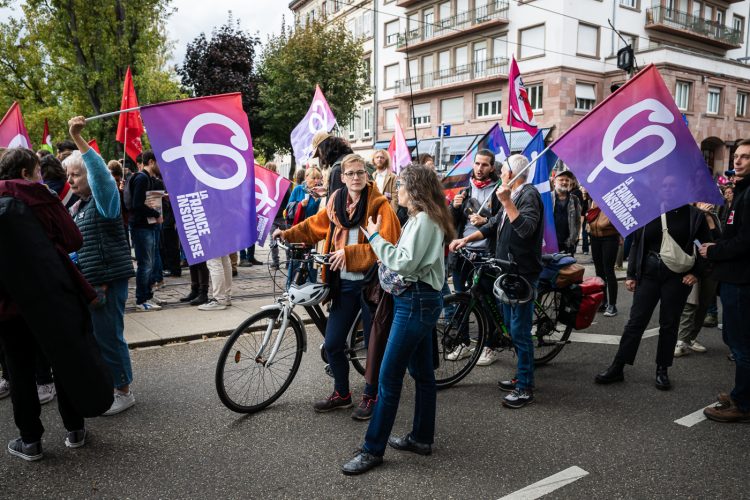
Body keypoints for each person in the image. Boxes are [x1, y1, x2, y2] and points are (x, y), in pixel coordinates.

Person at [0, 148, 114, 460]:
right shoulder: (40, 197)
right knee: (65, 359)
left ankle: (30, 441)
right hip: (52, 297)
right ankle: (75, 430)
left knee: (19, 371)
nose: (42, 177)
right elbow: (73, 239)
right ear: (25, 173)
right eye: (38, 171)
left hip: (8, 308)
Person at [342, 164, 456, 475]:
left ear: (416, 190)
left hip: (415, 302)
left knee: (388, 379)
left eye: (402, 185)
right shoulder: (423, 219)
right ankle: (421, 437)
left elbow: (403, 264)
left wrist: (376, 238)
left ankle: (372, 450)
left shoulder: (424, 222)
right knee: (421, 374)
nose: (397, 190)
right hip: (419, 300)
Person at [273, 154, 400, 417]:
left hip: (371, 286)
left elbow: (389, 247)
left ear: (367, 175)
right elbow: (314, 226)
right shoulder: (336, 202)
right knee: (332, 344)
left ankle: (371, 396)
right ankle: (342, 394)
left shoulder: (379, 206)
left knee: (375, 346)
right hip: (341, 284)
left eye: (360, 173)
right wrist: (286, 233)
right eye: (350, 173)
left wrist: (351, 254)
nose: (356, 178)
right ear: (342, 177)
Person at [450, 154, 543, 409]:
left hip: (522, 272)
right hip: (507, 270)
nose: (500, 174)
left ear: (512, 174)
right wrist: (466, 240)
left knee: (520, 333)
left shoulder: (528, 195)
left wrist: (506, 201)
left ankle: (525, 387)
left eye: (503, 172)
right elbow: (493, 224)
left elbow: (526, 229)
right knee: (512, 329)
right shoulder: (512, 195)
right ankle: (521, 376)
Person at [595, 195, 710, 390]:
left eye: (673, 187)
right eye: (665, 186)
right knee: (635, 322)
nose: (668, 190)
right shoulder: (649, 211)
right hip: (648, 273)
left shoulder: (695, 216)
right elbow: (638, 244)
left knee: (669, 323)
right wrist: (631, 274)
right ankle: (618, 366)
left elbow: (705, 247)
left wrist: (696, 273)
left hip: (677, 277)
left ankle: (662, 370)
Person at [65, 116, 137, 415]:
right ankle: (111, 383)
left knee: (109, 336)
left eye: (75, 176)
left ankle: (123, 390)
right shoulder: (78, 206)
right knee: (99, 336)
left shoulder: (105, 199)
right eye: (68, 176)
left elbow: (101, 176)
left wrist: (78, 140)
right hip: (92, 280)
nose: (70, 181)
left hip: (108, 280)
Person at [700, 141, 750, 422]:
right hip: (732, 276)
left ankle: (742, 405)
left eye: (745, 157)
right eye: (737, 156)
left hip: (741, 280)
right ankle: (741, 393)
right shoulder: (741, 192)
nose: (739, 161)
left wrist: (715, 250)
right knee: (734, 338)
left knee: (742, 344)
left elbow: (745, 241)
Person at [446, 149, 502, 366]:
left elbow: (501, 221)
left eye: (485, 165)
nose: (480, 168)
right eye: (477, 164)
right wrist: (454, 207)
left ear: (492, 167)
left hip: (486, 254)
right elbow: (451, 223)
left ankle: (490, 345)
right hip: (462, 253)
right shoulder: (466, 190)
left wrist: (485, 220)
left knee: (486, 301)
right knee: (461, 299)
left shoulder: (498, 191)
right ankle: (463, 343)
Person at [674, 203, 721, 357]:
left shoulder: (715, 217)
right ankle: (681, 341)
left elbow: (721, 239)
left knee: (704, 304)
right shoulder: (692, 215)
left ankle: (691, 338)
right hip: (694, 265)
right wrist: (700, 215)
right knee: (690, 303)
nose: (706, 202)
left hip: (712, 267)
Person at [128, 150, 163, 312]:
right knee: (145, 264)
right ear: (151, 162)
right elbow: (137, 205)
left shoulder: (146, 178)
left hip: (146, 226)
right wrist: (156, 214)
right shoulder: (142, 178)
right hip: (141, 227)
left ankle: (147, 295)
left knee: (149, 263)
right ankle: (141, 300)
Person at [284, 166, 324, 289]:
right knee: (296, 259)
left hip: (313, 230)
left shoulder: (321, 191)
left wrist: (319, 199)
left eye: (319, 178)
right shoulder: (298, 190)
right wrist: (300, 205)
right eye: (313, 178)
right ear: (306, 178)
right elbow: (287, 210)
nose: (316, 181)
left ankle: (310, 286)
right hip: (299, 229)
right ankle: (291, 286)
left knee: (311, 259)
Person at [587, 200, 621, 317]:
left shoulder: (613, 200)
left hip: (610, 238)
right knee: (599, 271)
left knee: (608, 270)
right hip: (594, 237)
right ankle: (603, 302)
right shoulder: (594, 200)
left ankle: (612, 305)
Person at [312, 132, 353, 197]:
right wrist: (327, 191)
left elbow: (337, 201)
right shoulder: (347, 158)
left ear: (324, 148)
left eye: (319, 152)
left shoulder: (337, 169)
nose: (320, 157)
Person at [552, 171, 582, 255]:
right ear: (554, 182)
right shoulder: (548, 198)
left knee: (568, 267)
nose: (564, 182)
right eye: (561, 180)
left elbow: (578, 221)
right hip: (551, 242)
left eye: (567, 180)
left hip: (568, 244)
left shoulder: (575, 200)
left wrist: (574, 239)